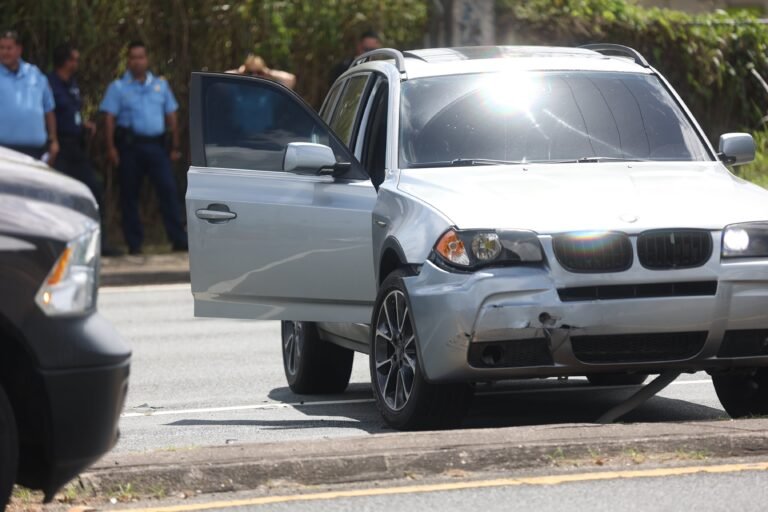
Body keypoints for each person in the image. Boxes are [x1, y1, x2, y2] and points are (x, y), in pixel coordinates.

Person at [99, 40, 187, 255]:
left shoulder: (160, 85)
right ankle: (134, 243)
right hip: (130, 147)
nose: (137, 61)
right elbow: (109, 119)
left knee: (168, 190)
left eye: (141, 57)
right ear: (128, 61)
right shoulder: (118, 88)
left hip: (156, 147)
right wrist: (111, 148)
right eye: (133, 57)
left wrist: (174, 145)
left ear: (147, 59)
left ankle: (178, 238)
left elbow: (171, 115)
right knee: (129, 194)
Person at [49, 43, 122, 256]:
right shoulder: (49, 84)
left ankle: (100, 242)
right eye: (74, 59)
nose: (77, 64)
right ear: (66, 61)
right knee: (60, 196)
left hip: (76, 146)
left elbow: (72, 113)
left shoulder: (72, 84)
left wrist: (83, 126)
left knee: (93, 191)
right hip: (60, 147)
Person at [0, 30, 58, 163]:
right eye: (1, 48)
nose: (4, 52)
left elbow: (48, 109)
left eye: (9, 48)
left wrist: (53, 140)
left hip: (34, 152)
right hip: (3, 151)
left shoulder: (34, 74)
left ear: (19, 50)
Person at [226, 54, 296, 90]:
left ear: (264, 73)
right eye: (250, 72)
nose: (254, 76)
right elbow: (224, 79)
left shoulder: (271, 91)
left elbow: (290, 79)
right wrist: (239, 71)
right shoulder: (237, 90)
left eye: (259, 72)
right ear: (244, 72)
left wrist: (269, 72)